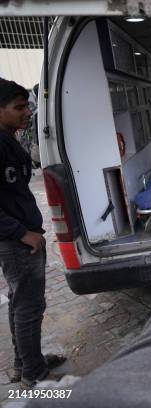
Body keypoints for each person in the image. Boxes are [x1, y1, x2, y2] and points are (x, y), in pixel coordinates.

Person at [0, 79, 66, 389]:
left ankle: (24, 363)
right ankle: (34, 375)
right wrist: (21, 233)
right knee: (29, 306)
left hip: (19, 233)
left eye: (27, 105)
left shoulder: (9, 138)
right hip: (16, 239)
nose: (28, 112)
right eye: (19, 107)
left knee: (19, 302)